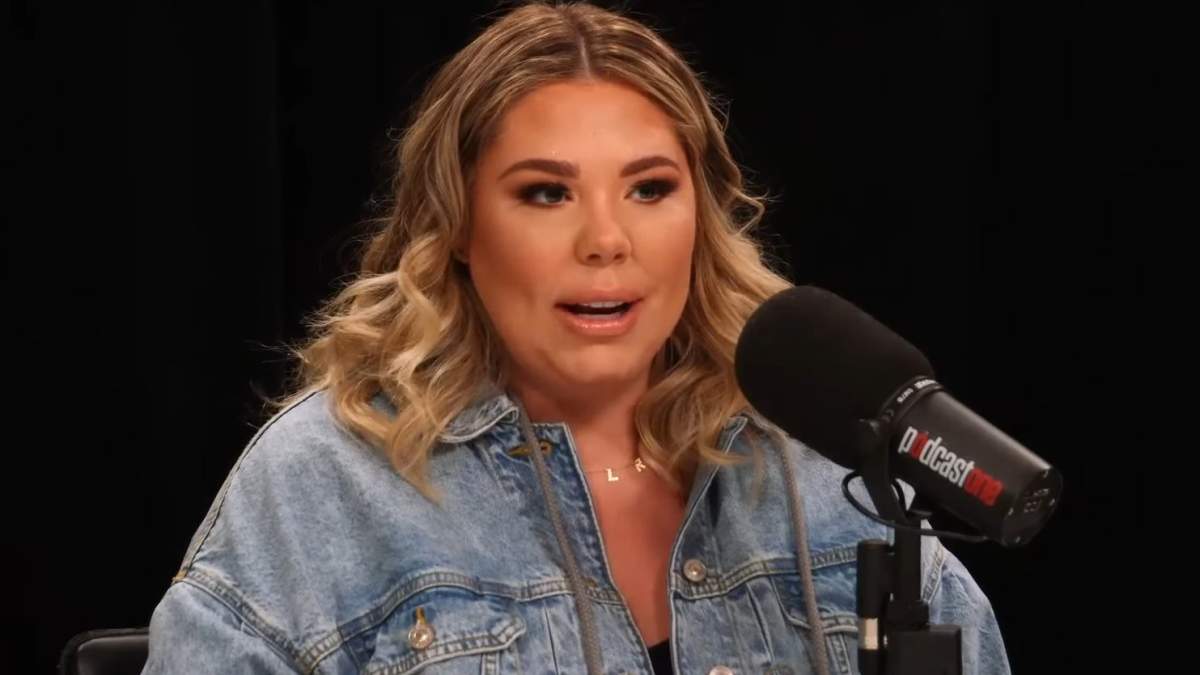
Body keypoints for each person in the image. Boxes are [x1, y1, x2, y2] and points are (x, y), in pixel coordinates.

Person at [142, 2, 1010, 673]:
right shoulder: (324, 483)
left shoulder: (820, 463)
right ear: (457, 225)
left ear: (700, 218)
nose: (605, 240)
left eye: (649, 188)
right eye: (546, 193)